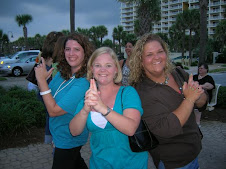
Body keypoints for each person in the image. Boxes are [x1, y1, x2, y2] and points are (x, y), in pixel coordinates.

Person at [129, 33, 208, 169]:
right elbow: (167, 129)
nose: (157, 57)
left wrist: (197, 95)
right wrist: (189, 99)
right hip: (174, 161)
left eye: (160, 51)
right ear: (141, 61)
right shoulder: (141, 91)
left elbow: (203, 101)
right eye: (149, 54)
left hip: (194, 151)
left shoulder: (177, 73)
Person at [69, 47, 148, 169]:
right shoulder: (88, 97)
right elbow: (74, 131)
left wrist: (102, 108)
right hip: (99, 164)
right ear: (92, 69)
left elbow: (130, 128)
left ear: (116, 69)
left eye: (108, 65)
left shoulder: (127, 93)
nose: (103, 70)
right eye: (98, 65)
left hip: (132, 164)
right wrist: (85, 110)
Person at [35, 33, 94, 169]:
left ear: (85, 52)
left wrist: (42, 81)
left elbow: (54, 111)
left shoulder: (84, 82)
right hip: (58, 134)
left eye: (77, 49)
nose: (71, 53)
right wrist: (42, 80)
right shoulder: (62, 72)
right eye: (68, 49)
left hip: (69, 138)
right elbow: (47, 96)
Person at [37, 31, 64, 144]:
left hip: (44, 93)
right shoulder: (58, 63)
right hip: (52, 95)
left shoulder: (43, 57)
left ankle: (51, 138)